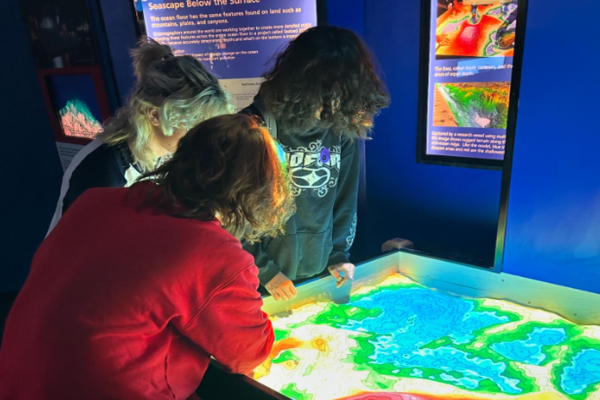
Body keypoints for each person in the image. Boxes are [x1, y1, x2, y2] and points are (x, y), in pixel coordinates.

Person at [0, 114, 294, 400]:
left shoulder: (95, 199)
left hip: (18, 376)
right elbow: (248, 354)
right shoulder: (214, 254)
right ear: (253, 194)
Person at [242, 26, 390, 301]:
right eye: (328, 90)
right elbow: (232, 214)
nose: (334, 101)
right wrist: (265, 272)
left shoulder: (341, 129)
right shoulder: (252, 128)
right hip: (258, 280)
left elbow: (345, 200)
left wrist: (339, 255)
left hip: (319, 273)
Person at [47, 37, 234, 234]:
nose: (204, 140)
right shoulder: (105, 171)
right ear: (154, 115)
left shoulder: (166, 153)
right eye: (196, 128)